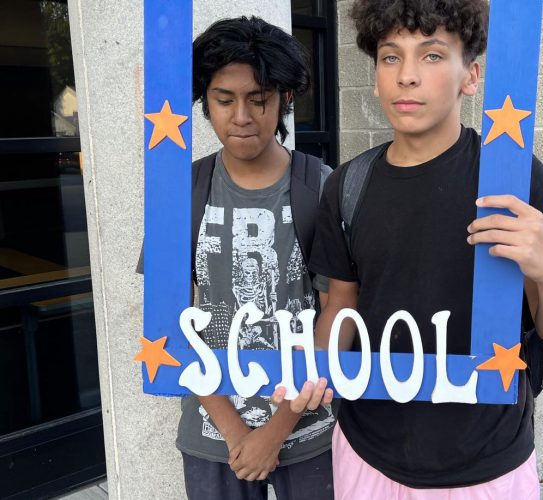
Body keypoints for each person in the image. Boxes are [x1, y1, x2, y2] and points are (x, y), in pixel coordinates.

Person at [273, 1, 543, 498]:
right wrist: (317, 366)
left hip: (487, 462)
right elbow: (340, 305)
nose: (408, 76)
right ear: (376, 76)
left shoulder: (512, 178)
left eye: (434, 56)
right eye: (390, 57)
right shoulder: (348, 185)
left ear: (472, 76)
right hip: (367, 452)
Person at [159, 16, 335, 500]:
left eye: (258, 99)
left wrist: (276, 430)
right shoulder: (179, 193)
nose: (241, 116)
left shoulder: (323, 188)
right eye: (224, 99)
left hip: (310, 433)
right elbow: (174, 320)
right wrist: (237, 432)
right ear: (204, 102)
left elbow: (337, 315)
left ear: (284, 100)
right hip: (212, 432)